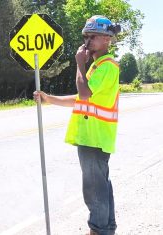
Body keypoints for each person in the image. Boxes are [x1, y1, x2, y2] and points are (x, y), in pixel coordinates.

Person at [34, 15, 121, 235]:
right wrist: (49, 98)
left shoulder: (107, 67)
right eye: (86, 36)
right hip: (92, 137)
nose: (87, 41)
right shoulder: (96, 67)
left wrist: (79, 64)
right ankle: (106, 228)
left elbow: (84, 92)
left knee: (94, 188)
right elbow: (81, 99)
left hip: (95, 137)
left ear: (106, 39)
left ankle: (98, 229)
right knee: (101, 184)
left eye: (92, 37)